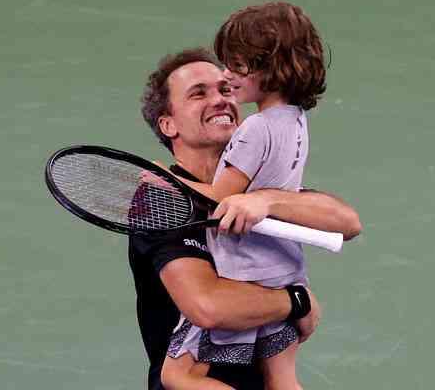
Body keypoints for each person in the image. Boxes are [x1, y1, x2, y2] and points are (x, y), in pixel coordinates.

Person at [131, 47, 361, 390]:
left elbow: (346, 222)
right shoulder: (161, 200)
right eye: (199, 94)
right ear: (169, 124)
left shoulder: (259, 186)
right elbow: (208, 307)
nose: (221, 99)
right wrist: (296, 301)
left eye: (225, 89)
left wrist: (265, 200)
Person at [160, 2, 329, 390]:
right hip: (287, 270)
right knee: (283, 380)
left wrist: (164, 180)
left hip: (245, 275)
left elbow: (220, 198)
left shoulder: (253, 129)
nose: (227, 74)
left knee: (179, 376)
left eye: (235, 66)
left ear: (266, 68)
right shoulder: (296, 121)